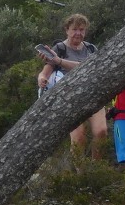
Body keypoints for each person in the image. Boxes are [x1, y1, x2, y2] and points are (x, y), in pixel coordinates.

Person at [37, 13, 108, 156]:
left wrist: (60, 62)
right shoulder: (60, 49)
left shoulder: (91, 49)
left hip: (93, 95)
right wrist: (42, 78)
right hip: (69, 98)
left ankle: (95, 168)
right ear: (67, 30)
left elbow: (91, 67)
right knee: (79, 137)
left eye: (82, 30)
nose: (78, 33)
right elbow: (45, 71)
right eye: (75, 29)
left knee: (101, 132)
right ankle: (80, 174)